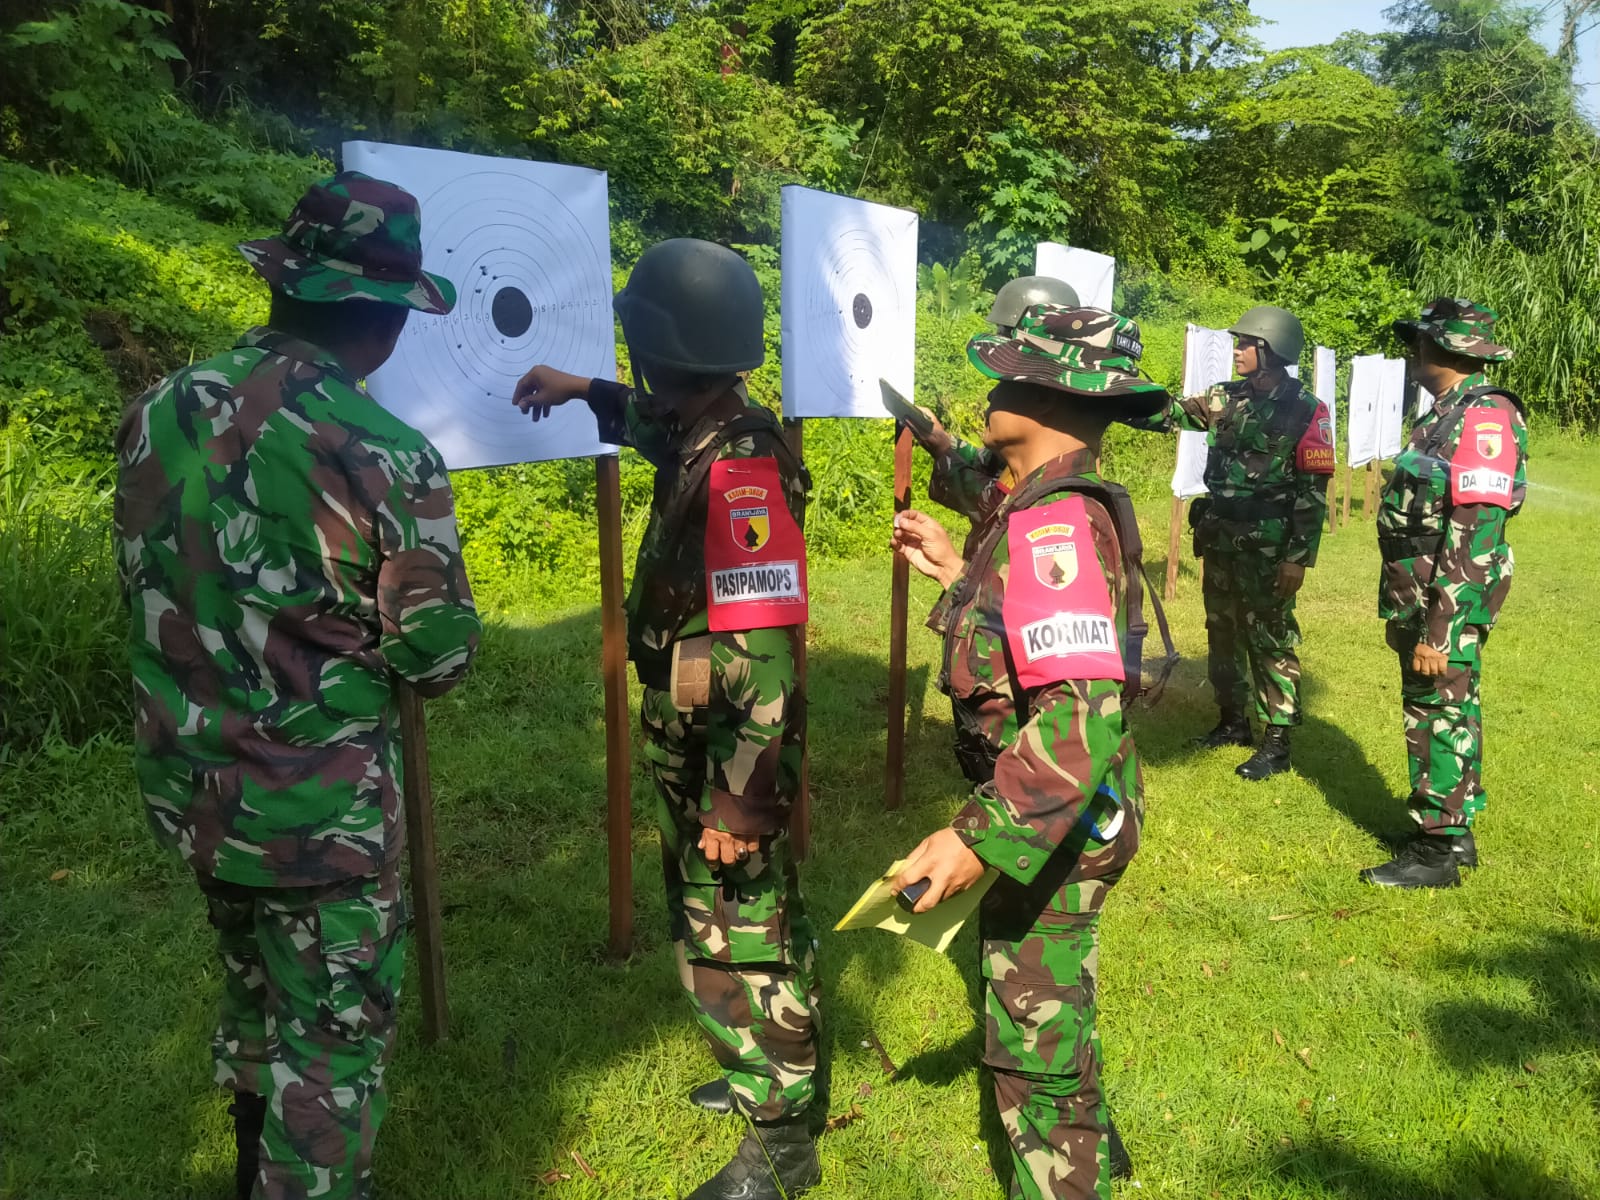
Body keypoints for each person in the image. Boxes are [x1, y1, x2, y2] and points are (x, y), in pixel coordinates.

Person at [113, 171, 481, 1200]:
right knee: (329, 1051)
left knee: (252, 1005)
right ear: (384, 318)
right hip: (318, 815)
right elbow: (438, 653)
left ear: (283, 285)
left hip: (194, 790)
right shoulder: (381, 452)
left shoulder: (156, 410)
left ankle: (248, 1170)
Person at [511, 239, 822, 1200]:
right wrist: (579, 388)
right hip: (699, 733)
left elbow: (767, 653)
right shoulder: (704, 426)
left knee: (736, 923)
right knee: (739, 918)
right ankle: (769, 1076)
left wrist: (741, 801)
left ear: (664, 349)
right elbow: (649, 422)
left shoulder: (739, 471)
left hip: (730, 749)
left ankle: (781, 1143)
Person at [888, 302, 1166, 1200]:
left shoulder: (1055, 528)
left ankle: (1067, 1169)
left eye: (1005, 378)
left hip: (1053, 821)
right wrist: (953, 573)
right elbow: (1023, 645)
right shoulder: (1037, 506)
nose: (989, 393)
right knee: (1048, 1003)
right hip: (1057, 815)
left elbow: (1078, 714)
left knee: (1031, 1045)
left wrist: (974, 838)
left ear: (1045, 398)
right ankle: (1092, 1138)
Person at [1126, 305, 1334, 780]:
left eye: (1245, 344)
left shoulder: (1307, 410)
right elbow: (1174, 412)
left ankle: (1277, 741)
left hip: (1269, 545)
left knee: (1269, 636)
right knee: (1221, 630)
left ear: (1270, 350)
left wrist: (1298, 559)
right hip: (1221, 536)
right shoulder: (1225, 398)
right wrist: (1118, 394)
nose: (1237, 351)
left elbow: (1313, 492)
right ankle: (1232, 721)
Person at [1360, 299, 1527, 889]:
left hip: (1445, 602)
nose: (1413, 353)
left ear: (1441, 350)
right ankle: (1455, 834)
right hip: (1421, 596)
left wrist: (1441, 628)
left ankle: (1438, 849)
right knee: (1444, 708)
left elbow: (1475, 528)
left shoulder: (1484, 418)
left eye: (1419, 343)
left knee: (1438, 712)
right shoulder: (1444, 414)